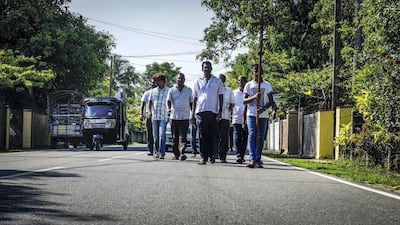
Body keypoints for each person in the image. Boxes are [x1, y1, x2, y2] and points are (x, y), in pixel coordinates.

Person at [191, 61, 224, 165]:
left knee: (213, 135)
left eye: (208, 67)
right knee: (202, 135)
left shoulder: (217, 81)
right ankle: (203, 157)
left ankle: (212, 155)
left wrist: (220, 111)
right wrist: (192, 114)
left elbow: (221, 96)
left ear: (211, 68)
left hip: (213, 111)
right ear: (202, 69)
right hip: (201, 111)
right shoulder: (198, 81)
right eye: (205, 67)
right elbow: (195, 98)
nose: (206, 69)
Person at [243, 65, 276, 168]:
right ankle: (252, 159)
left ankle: (258, 158)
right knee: (252, 134)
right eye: (255, 71)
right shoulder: (249, 85)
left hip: (263, 115)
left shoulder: (267, 85)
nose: (257, 73)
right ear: (252, 73)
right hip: (252, 114)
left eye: (259, 71)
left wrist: (263, 109)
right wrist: (254, 97)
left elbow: (271, 101)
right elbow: (244, 101)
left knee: (261, 137)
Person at [167, 73, 193, 161]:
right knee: (175, 137)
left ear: (184, 80)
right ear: (176, 80)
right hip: (174, 117)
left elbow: (191, 102)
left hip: (185, 116)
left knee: (183, 137)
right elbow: (168, 101)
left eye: (182, 79)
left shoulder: (188, 90)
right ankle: (176, 154)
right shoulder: (171, 90)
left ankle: (182, 153)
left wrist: (192, 113)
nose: (180, 80)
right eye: (178, 78)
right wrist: (169, 109)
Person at [148, 74, 169, 159]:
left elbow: (171, 102)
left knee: (162, 135)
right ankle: (156, 152)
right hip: (155, 116)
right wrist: (149, 112)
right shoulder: (153, 91)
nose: (157, 82)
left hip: (163, 117)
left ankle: (162, 152)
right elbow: (149, 103)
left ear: (163, 81)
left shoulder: (168, 90)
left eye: (158, 81)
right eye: (156, 81)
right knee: (155, 137)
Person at [217, 74, 234, 163]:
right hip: (215, 116)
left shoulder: (229, 90)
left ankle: (223, 156)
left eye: (222, 80)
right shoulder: (214, 90)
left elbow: (232, 102)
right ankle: (214, 154)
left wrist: (230, 106)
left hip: (225, 116)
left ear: (224, 81)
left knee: (224, 137)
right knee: (215, 136)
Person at [232, 75, 248, 164]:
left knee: (244, 138)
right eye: (239, 80)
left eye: (243, 81)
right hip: (236, 118)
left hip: (246, 118)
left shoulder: (248, 92)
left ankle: (242, 155)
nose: (241, 82)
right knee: (237, 137)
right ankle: (238, 155)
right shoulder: (234, 93)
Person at [140, 79, 156, 156]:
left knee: (157, 134)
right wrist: (141, 114)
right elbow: (142, 104)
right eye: (152, 83)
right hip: (149, 115)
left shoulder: (161, 92)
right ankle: (150, 150)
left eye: (155, 83)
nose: (153, 84)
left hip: (158, 115)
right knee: (149, 133)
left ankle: (157, 150)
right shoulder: (147, 93)